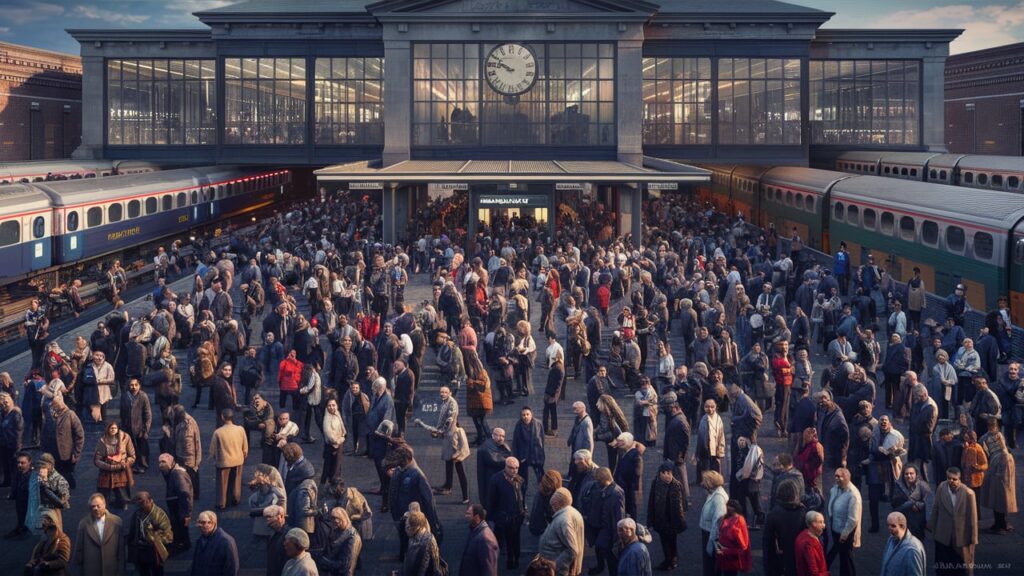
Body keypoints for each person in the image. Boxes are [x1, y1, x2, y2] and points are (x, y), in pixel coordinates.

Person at [487, 456, 526, 570]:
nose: (514, 471)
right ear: (506, 467)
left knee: (516, 539)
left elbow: (521, 497)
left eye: (517, 468)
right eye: (512, 468)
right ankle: (510, 560)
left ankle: (516, 559)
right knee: (508, 540)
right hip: (504, 517)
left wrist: (523, 511)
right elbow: (492, 500)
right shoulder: (496, 480)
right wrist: (492, 516)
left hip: (517, 516)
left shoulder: (519, 479)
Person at [979, 420, 1017, 534]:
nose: (992, 428)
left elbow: (1004, 450)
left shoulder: (999, 437)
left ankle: (1003, 523)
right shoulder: (986, 438)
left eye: (994, 426)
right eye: (990, 426)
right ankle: (1000, 524)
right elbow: (984, 449)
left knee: (1002, 499)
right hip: (997, 467)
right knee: (999, 499)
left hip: (1002, 467)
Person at [646, 463, 686, 571]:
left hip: (672, 520)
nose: (667, 475)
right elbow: (651, 503)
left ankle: (672, 560)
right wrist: (650, 521)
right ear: (660, 474)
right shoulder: (656, 483)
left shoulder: (676, 485)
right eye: (664, 473)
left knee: (672, 540)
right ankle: (669, 560)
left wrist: (681, 521)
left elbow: (682, 504)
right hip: (660, 520)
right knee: (664, 541)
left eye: (669, 473)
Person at [72, 493, 123, 576]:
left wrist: (121, 571)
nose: (95, 508)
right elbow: (79, 549)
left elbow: (121, 551)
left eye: (98, 506)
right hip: (91, 570)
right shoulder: (83, 524)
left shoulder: (116, 522)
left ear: (104, 505)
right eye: (93, 506)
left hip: (111, 569)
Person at [537, 487, 585, 576]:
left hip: (557, 570)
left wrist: (556, 564)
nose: (552, 508)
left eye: (553, 505)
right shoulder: (572, 512)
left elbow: (572, 549)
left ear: (558, 504)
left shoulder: (564, 521)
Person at [763, 482, 806, 576]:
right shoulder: (803, 513)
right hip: (797, 559)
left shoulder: (773, 514)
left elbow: (768, 544)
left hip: (779, 560)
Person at [126, 491, 174, 576]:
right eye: (139, 504)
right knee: (142, 572)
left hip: (154, 550)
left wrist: (155, 537)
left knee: (156, 572)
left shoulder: (159, 515)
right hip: (140, 549)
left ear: (150, 500)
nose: (142, 506)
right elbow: (132, 532)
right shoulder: (137, 514)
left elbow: (168, 536)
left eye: (144, 503)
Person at [209, 408, 248, 510]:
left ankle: (222, 503)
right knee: (236, 481)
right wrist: (244, 454)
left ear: (222, 417)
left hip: (224, 461)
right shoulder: (240, 429)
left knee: (222, 484)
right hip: (238, 460)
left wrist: (214, 458)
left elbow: (212, 450)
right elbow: (245, 446)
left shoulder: (218, 432)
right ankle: (236, 499)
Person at [825, 468, 862, 576]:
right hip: (835, 528)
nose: (837, 479)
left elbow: (853, 519)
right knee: (842, 555)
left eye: (840, 476)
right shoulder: (835, 488)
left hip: (845, 532)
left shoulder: (853, 495)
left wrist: (845, 534)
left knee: (846, 559)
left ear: (847, 478)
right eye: (836, 476)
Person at [42, 396, 83, 490]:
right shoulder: (51, 414)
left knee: (66, 474)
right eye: (54, 404)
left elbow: (80, 435)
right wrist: (43, 446)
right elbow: (45, 430)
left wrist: (76, 453)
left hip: (65, 453)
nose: (56, 406)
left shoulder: (70, 414)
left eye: (57, 403)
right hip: (52, 450)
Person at [94, 420, 137, 510]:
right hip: (107, 470)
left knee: (122, 493)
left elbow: (132, 456)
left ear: (118, 429)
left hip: (121, 470)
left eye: (115, 428)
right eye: (111, 428)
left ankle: (124, 502)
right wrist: (109, 467)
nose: (113, 430)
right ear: (108, 429)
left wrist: (124, 463)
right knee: (104, 494)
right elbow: (97, 460)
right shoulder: (102, 441)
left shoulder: (125, 438)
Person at [591, 466, 624, 576]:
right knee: (602, 549)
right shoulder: (609, 491)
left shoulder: (616, 494)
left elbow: (619, 518)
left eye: (599, 481)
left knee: (612, 561)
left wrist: (617, 539)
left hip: (611, 533)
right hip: (606, 530)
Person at [157, 453, 193, 553]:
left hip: (179, 505)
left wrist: (187, 513)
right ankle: (183, 543)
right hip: (176, 503)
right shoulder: (172, 472)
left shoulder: (177, 474)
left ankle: (183, 544)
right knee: (178, 525)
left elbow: (185, 494)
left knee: (180, 525)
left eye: (163, 463)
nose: (161, 465)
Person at [190, 511, 239, 576]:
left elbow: (231, 568)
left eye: (206, 523)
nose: (203, 526)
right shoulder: (200, 540)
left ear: (213, 523)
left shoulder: (226, 542)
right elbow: (195, 565)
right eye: (201, 523)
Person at [316, 507, 362, 576]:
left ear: (343, 519)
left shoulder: (352, 538)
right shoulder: (339, 530)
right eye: (332, 518)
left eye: (336, 519)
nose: (334, 522)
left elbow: (346, 566)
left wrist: (325, 561)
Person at [120, 378, 153, 474]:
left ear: (139, 386)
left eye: (135, 385)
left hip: (140, 427)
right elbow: (122, 412)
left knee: (142, 448)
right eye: (131, 385)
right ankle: (134, 465)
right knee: (131, 448)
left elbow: (148, 414)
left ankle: (143, 465)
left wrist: (146, 429)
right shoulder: (125, 396)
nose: (133, 387)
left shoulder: (143, 396)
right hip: (128, 427)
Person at [891, 465, 932, 539]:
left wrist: (919, 505)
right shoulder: (898, 486)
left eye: (911, 473)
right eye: (906, 474)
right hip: (903, 523)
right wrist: (911, 504)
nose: (909, 476)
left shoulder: (923, 486)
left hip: (918, 524)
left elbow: (928, 503)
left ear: (916, 474)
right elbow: (896, 506)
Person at [25, 510, 70, 576]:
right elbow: (37, 554)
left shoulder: (63, 539)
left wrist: (49, 564)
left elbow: (63, 561)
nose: (43, 520)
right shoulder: (44, 538)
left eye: (46, 518)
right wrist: (33, 562)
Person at [880, 512, 926, 576]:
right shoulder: (891, 539)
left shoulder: (912, 550)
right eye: (888, 525)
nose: (889, 528)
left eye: (893, 526)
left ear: (902, 526)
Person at [700, 471, 728, 576]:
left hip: (712, 536)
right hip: (709, 533)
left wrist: (711, 544)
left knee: (712, 567)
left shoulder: (718, 498)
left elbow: (718, 523)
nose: (702, 484)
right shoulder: (714, 493)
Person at [513, 406, 546, 495]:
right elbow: (515, 442)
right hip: (524, 456)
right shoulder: (518, 426)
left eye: (528, 414)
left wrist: (541, 455)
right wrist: (517, 458)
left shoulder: (538, 424)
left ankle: (543, 493)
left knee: (541, 477)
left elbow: (542, 440)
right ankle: (522, 498)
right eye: (523, 415)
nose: (526, 417)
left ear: (531, 415)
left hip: (535, 454)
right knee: (523, 480)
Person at [459, 504, 498, 576]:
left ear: (476, 517)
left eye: (469, 514)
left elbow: (489, 571)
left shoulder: (486, 540)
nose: (466, 516)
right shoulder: (475, 531)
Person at [716, 499, 752, 576]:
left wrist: (724, 551)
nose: (728, 508)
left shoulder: (738, 521)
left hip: (730, 557)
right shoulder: (729, 519)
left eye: (730, 507)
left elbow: (743, 545)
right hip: (726, 556)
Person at [612, 432, 644, 519]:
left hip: (629, 489)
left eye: (621, 441)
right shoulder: (624, 452)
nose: (618, 443)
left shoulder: (635, 456)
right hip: (624, 487)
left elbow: (636, 476)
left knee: (631, 510)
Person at [476, 428, 511, 503]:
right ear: (493, 435)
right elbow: (494, 460)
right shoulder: (486, 447)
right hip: (490, 478)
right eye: (499, 436)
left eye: (503, 436)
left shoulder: (497, 444)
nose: (501, 438)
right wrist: (509, 460)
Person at [402, 511, 442, 576]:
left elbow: (435, 560)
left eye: (408, 527)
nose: (406, 529)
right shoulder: (412, 535)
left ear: (417, 527)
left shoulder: (429, 539)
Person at [696, 399, 726, 479]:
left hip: (715, 448)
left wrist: (721, 450)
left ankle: (716, 482)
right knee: (705, 467)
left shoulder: (718, 419)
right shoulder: (703, 419)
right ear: (704, 407)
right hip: (705, 448)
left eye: (712, 407)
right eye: (707, 407)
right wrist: (697, 452)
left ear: (715, 407)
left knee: (715, 468)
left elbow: (721, 436)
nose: (710, 409)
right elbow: (700, 437)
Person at [794, 510, 829, 576]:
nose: (824, 525)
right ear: (813, 524)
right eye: (820, 522)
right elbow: (813, 571)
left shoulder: (803, 535)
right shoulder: (809, 545)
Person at [263, 505, 291, 576]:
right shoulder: (273, 533)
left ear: (281, 516)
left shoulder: (288, 535)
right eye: (266, 517)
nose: (267, 520)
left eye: (270, 517)